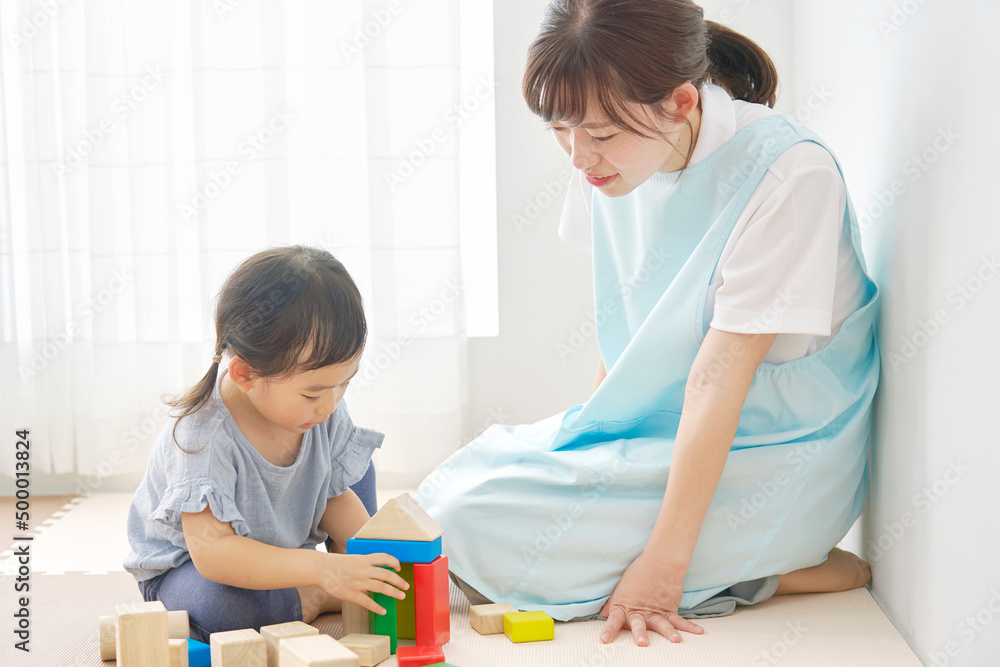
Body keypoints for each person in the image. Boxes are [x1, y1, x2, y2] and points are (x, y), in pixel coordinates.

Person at [418, 0, 879, 647]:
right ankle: (747, 566)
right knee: (449, 501)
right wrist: (591, 450)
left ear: (682, 103)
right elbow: (626, 328)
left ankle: (777, 561)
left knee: (474, 522)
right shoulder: (604, 156)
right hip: (669, 429)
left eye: (599, 135)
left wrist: (663, 568)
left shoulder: (788, 171)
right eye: (559, 129)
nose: (579, 156)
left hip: (777, 449)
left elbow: (718, 382)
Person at [123, 246, 408, 642]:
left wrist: (381, 560)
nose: (330, 404)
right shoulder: (201, 437)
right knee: (226, 610)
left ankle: (339, 581)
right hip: (195, 567)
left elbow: (334, 496)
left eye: (345, 382)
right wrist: (324, 574)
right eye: (313, 393)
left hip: (287, 543)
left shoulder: (320, 409)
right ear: (244, 373)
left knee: (352, 465)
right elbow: (214, 553)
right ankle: (316, 595)